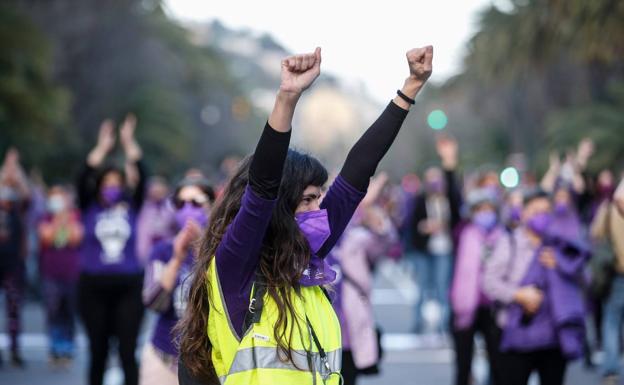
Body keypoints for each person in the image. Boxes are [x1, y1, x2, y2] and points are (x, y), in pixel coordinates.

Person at [176, 45, 434, 385]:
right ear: (280, 208)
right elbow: (263, 188)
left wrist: (410, 88)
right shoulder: (236, 266)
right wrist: (287, 98)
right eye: (308, 200)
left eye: (320, 198)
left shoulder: (306, 261)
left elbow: (358, 171)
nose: (319, 211)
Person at [483, 189, 589, 385]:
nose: (541, 216)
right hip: (516, 334)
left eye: (546, 211)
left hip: (553, 335)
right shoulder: (510, 242)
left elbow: (583, 279)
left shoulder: (561, 243)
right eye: (535, 210)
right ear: (523, 213)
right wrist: (518, 294)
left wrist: (561, 264)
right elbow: (489, 281)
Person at [76, 115, 146, 385]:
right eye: (107, 184)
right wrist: (103, 147)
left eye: (117, 184)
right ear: (99, 187)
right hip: (93, 288)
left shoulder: (131, 205)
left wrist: (128, 142)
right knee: (98, 353)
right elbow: (83, 175)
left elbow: (142, 172)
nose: (112, 188)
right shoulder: (89, 207)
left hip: (128, 287)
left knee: (128, 353)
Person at [140, 176, 215, 385]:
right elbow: (153, 303)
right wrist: (177, 258)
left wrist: (202, 249)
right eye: (181, 204)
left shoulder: (222, 251)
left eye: (196, 202)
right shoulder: (163, 250)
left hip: (207, 361)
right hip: (163, 356)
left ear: (211, 206)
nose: (188, 209)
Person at [327, 175, 398, 385]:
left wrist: (374, 217)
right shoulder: (310, 235)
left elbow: (384, 241)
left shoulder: (355, 236)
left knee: (348, 374)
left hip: (349, 320)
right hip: (321, 320)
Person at [450, 188, 505, 385]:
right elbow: (452, 200)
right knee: (463, 364)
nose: (485, 213)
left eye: (489, 208)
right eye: (480, 209)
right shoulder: (462, 234)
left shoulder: (503, 236)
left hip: (494, 307)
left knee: (499, 363)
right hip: (466, 305)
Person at [408, 135, 462, 334]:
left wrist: (449, 161)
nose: (434, 182)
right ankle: (417, 323)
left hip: (444, 249)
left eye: (436, 178)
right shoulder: (420, 200)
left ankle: (444, 326)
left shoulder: (449, 200)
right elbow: (411, 226)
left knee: (442, 289)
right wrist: (424, 228)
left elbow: (457, 211)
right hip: (424, 250)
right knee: (421, 288)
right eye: (430, 178)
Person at [38, 185, 84, 365]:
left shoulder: (76, 217)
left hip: (71, 273)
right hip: (50, 273)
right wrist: (59, 220)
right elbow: (46, 237)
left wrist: (67, 219)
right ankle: (54, 347)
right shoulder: (46, 218)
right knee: (53, 311)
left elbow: (76, 238)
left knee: (69, 311)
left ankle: (67, 347)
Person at [591, 176, 624, 385]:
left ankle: (611, 370)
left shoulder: (607, 206)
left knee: (611, 323)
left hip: (616, 273)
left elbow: (595, 233)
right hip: (616, 274)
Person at [0, 148, 30, 367]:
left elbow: (25, 192)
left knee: (13, 308)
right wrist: (5, 169)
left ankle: (14, 349)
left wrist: (15, 170)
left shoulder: (19, 208)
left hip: (13, 264)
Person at [136, 176, 176, 265]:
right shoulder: (145, 208)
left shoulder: (171, 206)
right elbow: (142, 233)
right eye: (154, 190)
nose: (157, 193)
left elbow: (174, 223)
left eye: (160, 190)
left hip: (168, 250)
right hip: (149, 251)